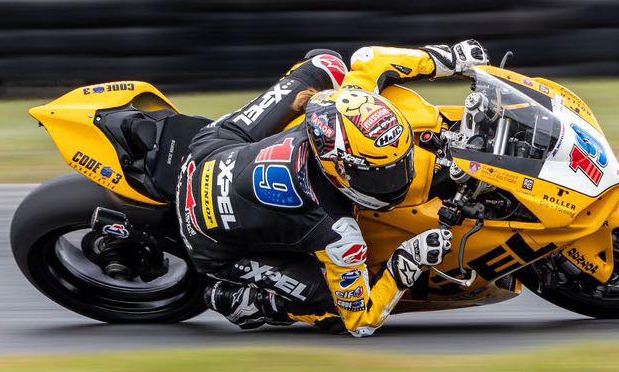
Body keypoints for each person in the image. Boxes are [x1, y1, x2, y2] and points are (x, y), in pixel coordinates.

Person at [175, 41, 489, 336]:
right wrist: (406, 262)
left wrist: (448, 59)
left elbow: (370, 61)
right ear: (340, 170)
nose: (398, 179)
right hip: (209, 240)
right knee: (335, 311)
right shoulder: (340, 235)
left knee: (326, 63)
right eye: (382, 175)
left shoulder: (347, 102)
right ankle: (255, 302)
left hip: (207, 152)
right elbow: (362, 321)